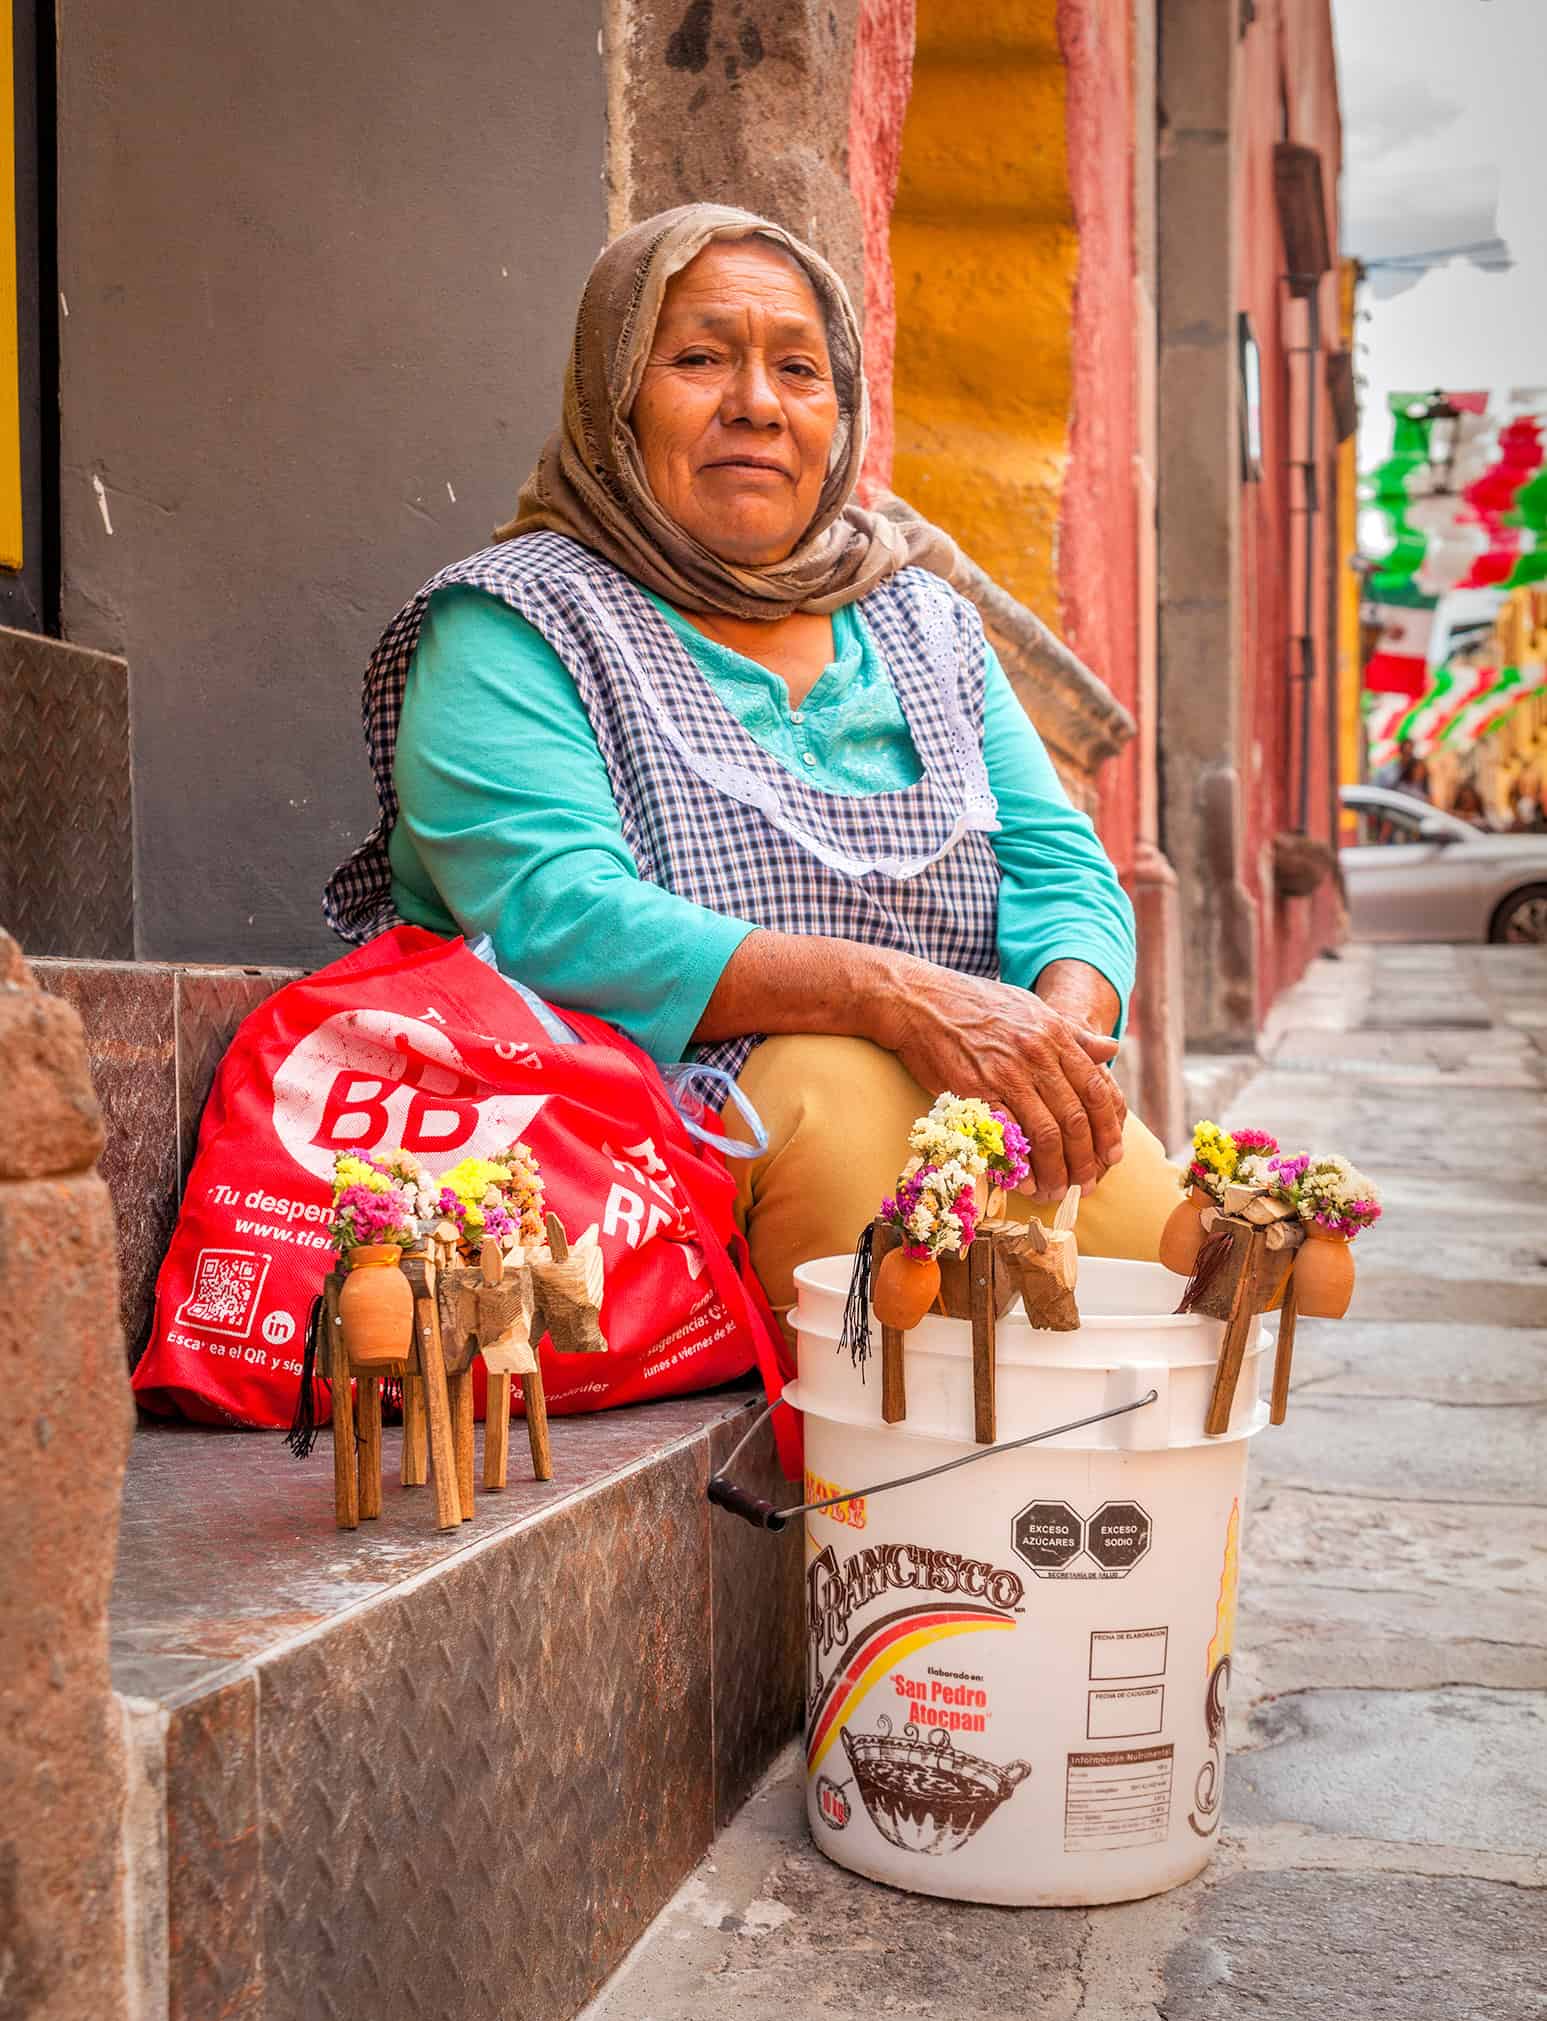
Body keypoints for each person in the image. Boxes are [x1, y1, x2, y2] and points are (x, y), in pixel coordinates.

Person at [324, 204, 1180, 1327]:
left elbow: (1059, 864)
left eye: (798, 369)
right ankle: (868, 1502)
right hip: (642, 1136)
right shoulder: (514, 618)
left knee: (1140, 1231)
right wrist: (890, 995)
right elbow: (551, 911)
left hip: (955, 1091)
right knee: (840, 1120)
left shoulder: (922, 620)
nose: (758, 405)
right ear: (613, 396)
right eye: (697, 359)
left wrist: (1052, 1040)